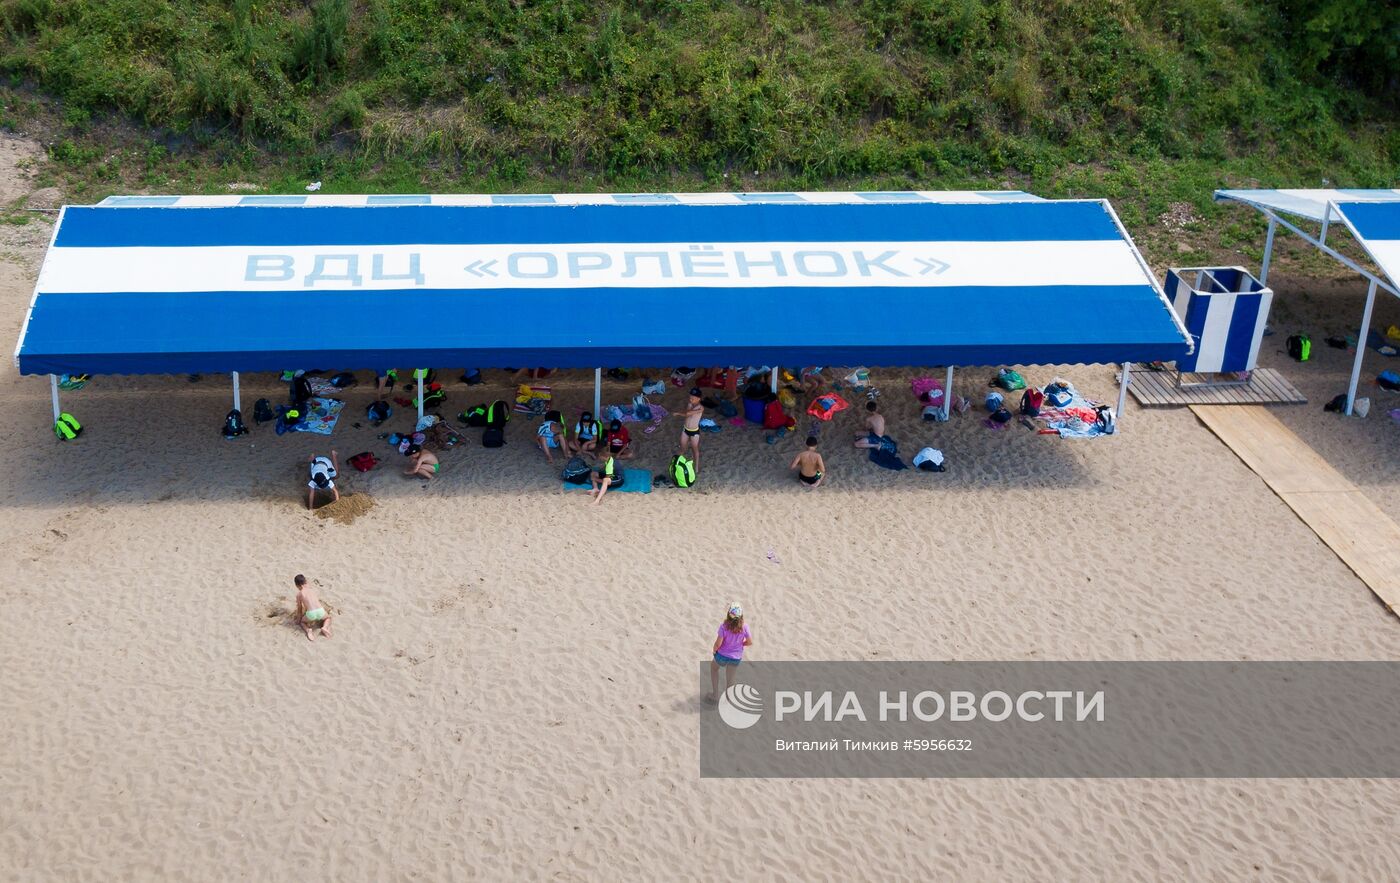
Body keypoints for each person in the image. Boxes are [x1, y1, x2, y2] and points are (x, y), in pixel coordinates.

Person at [709, 602, 752, 701]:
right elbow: (749, 642)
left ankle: (715, 695)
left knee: (714, 669)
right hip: (735, 657)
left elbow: (718, 643)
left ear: (728, 615)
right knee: (730, 679)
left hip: (721, 655)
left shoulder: (724, 626)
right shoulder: (744, 627)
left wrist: (714, 651)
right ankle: (728, 699)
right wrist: (741, 644)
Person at [293, 574, 333, 642]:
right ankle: (325, 627)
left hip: (311, 614)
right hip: (320, 611)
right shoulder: (311, 589)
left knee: (303, 622)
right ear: (305, 581)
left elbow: (299, 609)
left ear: (296, 585)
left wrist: (298, 620)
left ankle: (308, 630)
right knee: (328, 618)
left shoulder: (299, 594)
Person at [679, 387, 704, 468]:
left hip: (694, 431)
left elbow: (689, 413)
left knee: (695, 449)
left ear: (698, 399)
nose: (691, 399)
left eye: (693, 398)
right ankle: (678, 463)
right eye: (690, 397)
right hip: (685, 429)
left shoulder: (701, 407)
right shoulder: (690, 404)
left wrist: (679, 414)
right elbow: (687, 413)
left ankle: (696, 466)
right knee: (682, 448)